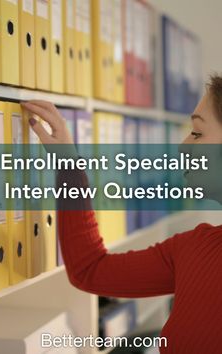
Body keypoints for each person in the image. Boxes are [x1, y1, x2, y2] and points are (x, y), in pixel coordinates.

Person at [21, 75, 222, 354]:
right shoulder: (196, 247)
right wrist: (69, 165)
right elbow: (90, 270)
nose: (183, 145)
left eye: (198, 133)